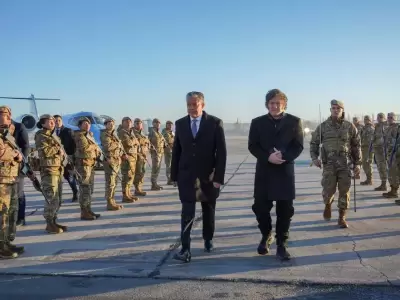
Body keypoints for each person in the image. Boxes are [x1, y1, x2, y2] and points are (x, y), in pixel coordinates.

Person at [171, 91, 227, 263]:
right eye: (188, 105)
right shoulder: (180, 123)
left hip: (208, 176)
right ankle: (185, 248)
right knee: (187, 212)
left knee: (208, 210)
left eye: (194, 105)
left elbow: (222, 153)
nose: (191, 108)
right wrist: (174, 176)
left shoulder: (215, 123)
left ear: (203, 104)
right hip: (186, 176)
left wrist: (218, 177)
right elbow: (177, 151)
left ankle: (208, 239)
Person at [248, 89, 304, 260]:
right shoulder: (257, 122)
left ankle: (282, 243)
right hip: (264, 171)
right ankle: (266, 235)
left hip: (284, 172)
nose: (274, 105)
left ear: (284, 104)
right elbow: (253, 145)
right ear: (267, 104)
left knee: (285, 210)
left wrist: (284, 157)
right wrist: (268, 157)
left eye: (278, 102)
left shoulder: (295, 122)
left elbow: (298, 145)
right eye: (271, 103)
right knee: (260, 208)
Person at [310, 100, 361, 229]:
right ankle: (327, 204)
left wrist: (358, 164)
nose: (336, 110)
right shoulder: (323, 126)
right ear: (330, 109)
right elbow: (314, 143)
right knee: (328, 189)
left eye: (338, 108)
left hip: (345, 163)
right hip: (329, 164)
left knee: (345, 190)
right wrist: (314, 158)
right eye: (333, 108)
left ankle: (341, 217)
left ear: (342, 110)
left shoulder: (350, 127)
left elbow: (356, 146)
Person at [35, 114, 68, 234]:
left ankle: (54, 221)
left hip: (58, 170)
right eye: (49, 121)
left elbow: (61, 151)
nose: (52, 123)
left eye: (53, 121)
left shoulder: (54, 136)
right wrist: (58, 150)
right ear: (43, 124)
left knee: (58, 198)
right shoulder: (41, 136)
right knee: (51, 198)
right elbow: (44, 152)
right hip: (49, 171)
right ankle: (49, 223)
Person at [0, 105, 24, 258]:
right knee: (2, 214)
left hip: (10, 178)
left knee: (10, 213)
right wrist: (15, 153)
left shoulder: (7, 135)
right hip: (1, 180)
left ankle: (6, 242)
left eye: (9, 115)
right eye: (4, 115)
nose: (8, 118)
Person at [54, 115, 78, 201]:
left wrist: (71, 157)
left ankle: (75, 192)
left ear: (62, 121)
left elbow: (73, 145)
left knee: (69, 176)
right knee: (56, 178)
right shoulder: (51, 132)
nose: (57, 122)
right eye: (55, 120)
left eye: (59, 120)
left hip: (67, 157)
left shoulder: (68, 131)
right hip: (55, 159)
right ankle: (58, 197)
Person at [10, 119, 29, 229]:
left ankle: (21, 218)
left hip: (18, 165)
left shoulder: (19, 127)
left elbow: (26, 146)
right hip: (4, 167)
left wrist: (23, 162)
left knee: (19, 192)